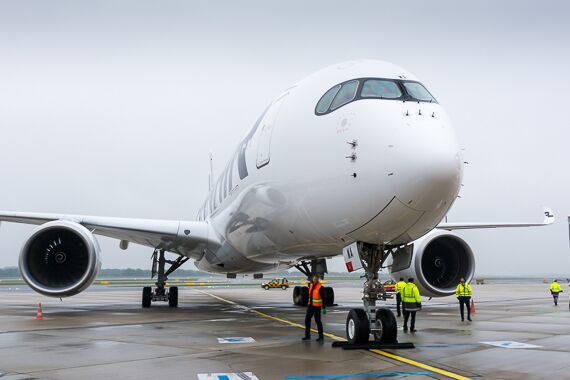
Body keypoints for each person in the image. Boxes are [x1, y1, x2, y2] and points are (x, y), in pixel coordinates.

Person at [302, 275, 325, 341]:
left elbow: (324, 298)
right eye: (314, 279)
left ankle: (321, 337)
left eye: (316, 279)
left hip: (317, 307)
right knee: (307, 320)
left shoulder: (320, 287)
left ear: (317, 280)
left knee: (318, 321)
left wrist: (324, 307)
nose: (314, 280)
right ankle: (307, 336)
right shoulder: (311, 285)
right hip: (310, 306)